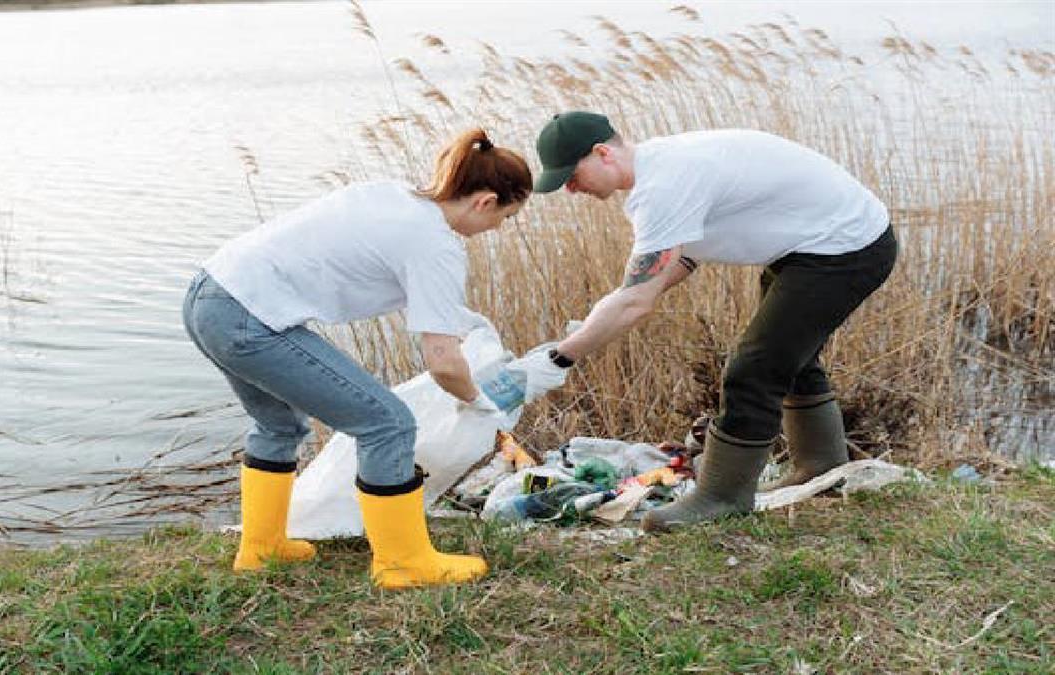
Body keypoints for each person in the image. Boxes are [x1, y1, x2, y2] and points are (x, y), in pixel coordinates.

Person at [183, 128, 534, 588]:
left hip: (208, 296)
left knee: (279, 426)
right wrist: (481, 402)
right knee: (388, 424)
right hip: (250, 317)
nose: (496, 229)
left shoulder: (391, 196)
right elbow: (444, 362)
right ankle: (403, 563)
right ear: (484, 201)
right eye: (505, 218)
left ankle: (261, 548)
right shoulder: (436, 243)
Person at [531, 112, 897, 532]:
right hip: (814, 246)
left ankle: (722, 497)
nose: (572, 190)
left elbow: (636, 301)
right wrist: (602, 318)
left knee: (753, 369)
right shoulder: (664, 166)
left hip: (846, 246)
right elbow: (676, 263)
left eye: (572, 177)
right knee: (788, 358)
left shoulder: (663, 185)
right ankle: (822, 469)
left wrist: (560, 358)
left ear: (602, 153)